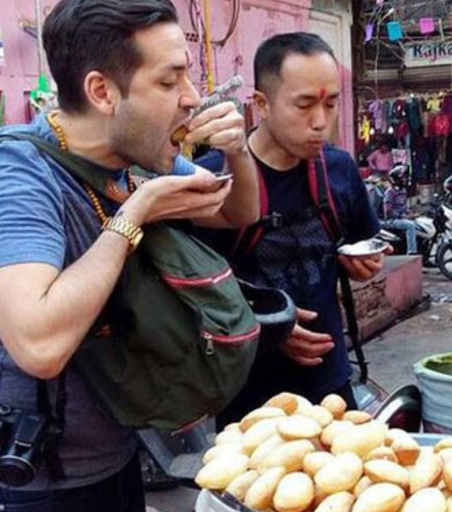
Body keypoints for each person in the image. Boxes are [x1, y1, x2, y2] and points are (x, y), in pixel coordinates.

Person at [0, 0, 259, 509]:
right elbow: (38, 345)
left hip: (121, 452)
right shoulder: (20, 174)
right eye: (169, 82)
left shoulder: (135, 157)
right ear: (102, 91)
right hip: (40, 485)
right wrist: (135, 213)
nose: (191, 100)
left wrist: (238, 151)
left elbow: (235, 211)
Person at [210, 33, 383, 427]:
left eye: (331, 103)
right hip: (247, 396)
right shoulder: (212, 178)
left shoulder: (339, 171)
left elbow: (364, 241)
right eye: (304, 105)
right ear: (262, 104)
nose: (320, 122)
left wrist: (363, 261)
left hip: (330, 385)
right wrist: (267, 328)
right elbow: (188, 289)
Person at [382, 167, 419, 255]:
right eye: (404, 178)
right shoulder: (390, 192)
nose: (405, 180)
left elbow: (404, 207)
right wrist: (403, 216)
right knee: (411, 225)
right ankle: (412, 252)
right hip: (392, 220)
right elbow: (388, 211)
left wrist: (411, 212)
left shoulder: (403, 190)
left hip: (401, 218)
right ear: (397, 179)